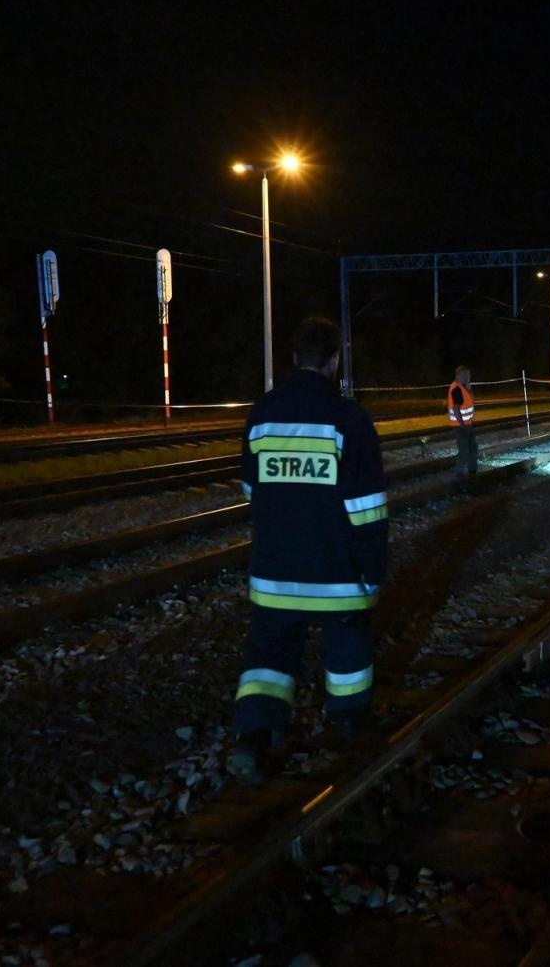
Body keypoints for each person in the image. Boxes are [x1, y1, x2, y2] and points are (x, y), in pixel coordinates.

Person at [226, 316, 389, 786]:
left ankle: (254, 735)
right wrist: (373, 570)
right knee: (348, 649)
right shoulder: (349, 420)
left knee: (269, 655)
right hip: (337, 575)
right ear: (335, 362)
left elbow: (252, 490)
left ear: (295, 359)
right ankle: (350, 727)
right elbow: (367, 509)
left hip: (274, 573)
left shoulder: (262, 413)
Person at [446, 364, 478, 493]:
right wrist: (463, 425)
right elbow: (456, 408)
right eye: (466, 375)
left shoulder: (464, 388)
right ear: (460, 375)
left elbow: (472, 401)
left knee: (473, 448)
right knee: (464, 449)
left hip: (467, 425)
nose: (468, 377)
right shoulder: (456, 389)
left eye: (468, 375)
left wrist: (469, 387)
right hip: (460, 426)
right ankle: (460, 474)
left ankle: (472, 472)